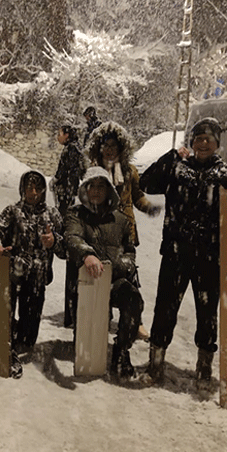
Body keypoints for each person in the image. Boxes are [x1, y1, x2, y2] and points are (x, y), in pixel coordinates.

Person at [139, 117, 227, 385]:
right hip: (176, 253)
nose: (203, 143)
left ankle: (204, 366)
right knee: (165, 309)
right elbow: (146, 183)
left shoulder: (226, 174)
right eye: (198, 138)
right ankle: (155, 363)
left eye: (209, 139)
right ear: (191, 142)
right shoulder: (177, 168)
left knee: (207, 314)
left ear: (217, 143)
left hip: (209, 257)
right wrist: (171, 156)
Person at [65, 167, 145, 379]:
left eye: (102, 186)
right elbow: (73, 238)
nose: (97, 191)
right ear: (85, 188)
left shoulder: (120, 220)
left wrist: (122, 265)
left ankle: (121, 350)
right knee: (88, 344)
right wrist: (87, 255)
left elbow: (129, 250)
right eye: (92, 186)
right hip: (85, 281)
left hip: (114, 279)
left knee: (133, 300)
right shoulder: (76, 214)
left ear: (109, 189)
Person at [85, 121, 161, 339]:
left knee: (128, 275)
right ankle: (102, 315)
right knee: (99, 272)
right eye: (105, 145)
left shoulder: (129, 172)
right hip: (99, 230)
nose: (109, 150)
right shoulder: (93, 172)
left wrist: (148, 207)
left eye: (113, 146)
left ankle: (135, 321)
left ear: (121, 148)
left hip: (125, 231)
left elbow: (136, 196)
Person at [0, 170, 66, 378]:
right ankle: (8, 348)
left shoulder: (53, 214)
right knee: (8, 312)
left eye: (37, 187)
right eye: (28, 187)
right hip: (15, 272)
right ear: (22, 189)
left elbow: (65, 248)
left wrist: (54, 241)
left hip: (39, 276)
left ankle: (23, 345)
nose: (33, 192)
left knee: (31, 321)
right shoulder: (13, 211)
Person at [51, 124, 86, 328]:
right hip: (68, 190)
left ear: (66, 134)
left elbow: (69, 171)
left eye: (59, 133)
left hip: (68, 191)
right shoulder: (74, 148)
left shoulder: (72, 149)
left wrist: (58, 179)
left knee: (65, 215)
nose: (58, 136)